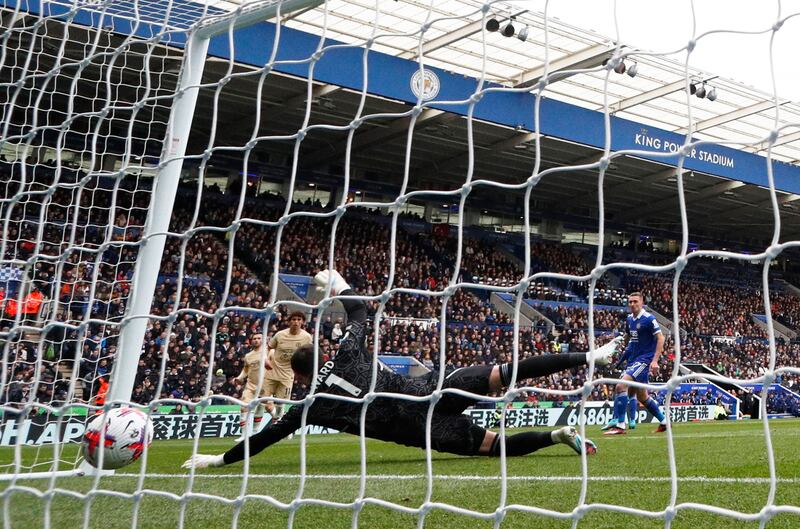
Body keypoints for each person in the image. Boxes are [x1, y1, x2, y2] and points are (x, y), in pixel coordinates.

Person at [184, 270, 615, 470]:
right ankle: (589, 358)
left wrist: (216, 459)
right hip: (432, 389)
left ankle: (556, 436)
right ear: (316, 350)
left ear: (295, 374)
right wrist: (336, 284)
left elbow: (265, 438)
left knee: (497, 448)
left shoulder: (307, 406)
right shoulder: (347, 351)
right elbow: (359, 312)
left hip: (423, 429)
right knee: (511, 371)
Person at [602, 292, 667, 435]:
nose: (632, 304)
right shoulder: (629, 319)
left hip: (644, 360)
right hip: (634, 360)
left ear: (642, 302)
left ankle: (620, 425)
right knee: (643, 397)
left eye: (635, 301)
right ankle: (664, 422)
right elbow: (629, 337)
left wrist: (655, 361)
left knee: (620, 385)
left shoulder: (649, 319)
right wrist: (619, 351)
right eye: (630, 302)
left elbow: (661, 338)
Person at [264, 311, 312, 420]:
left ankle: (279, 423)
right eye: (293, 319)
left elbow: (309, 354)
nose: (296, 322)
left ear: (303, 322)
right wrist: (266, 359)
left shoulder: (307, 337)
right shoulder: (280, 335)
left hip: (287, 374)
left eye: (299, 320)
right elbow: (268, 347)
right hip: (272, 371)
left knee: (281, 403)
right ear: (289, 321)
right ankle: (278, 421)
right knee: (265, 402)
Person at [235, 332, 270, 441]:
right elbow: (245, 370)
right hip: (251, 385)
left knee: (261, 409)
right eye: (254, 338)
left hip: (265, 385)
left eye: (259, 338)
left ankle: (255, 433)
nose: (256, 340)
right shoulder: (248, 356)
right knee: (243, 407)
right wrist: (239, 378)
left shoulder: (268, 352)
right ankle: (244, 435)